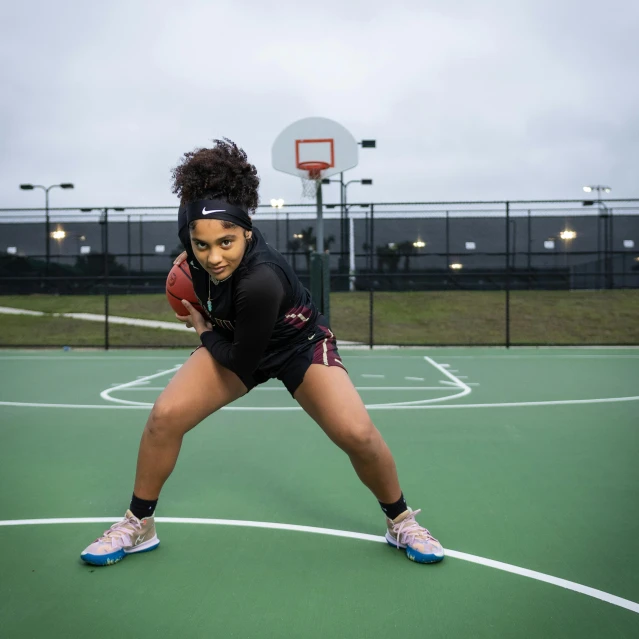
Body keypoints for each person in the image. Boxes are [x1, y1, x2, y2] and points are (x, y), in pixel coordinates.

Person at [80, 139, 444, 566]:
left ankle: (400, 519)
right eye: (202, 245)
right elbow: (201, 251)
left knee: (357, 435)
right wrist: (197, 284)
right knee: (164, 418)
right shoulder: (193, 245)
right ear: (189, 237)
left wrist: (201, 328)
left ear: (246, 230)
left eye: (227, 242)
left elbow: (240, 362)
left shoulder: (261, 280)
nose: (214, 257)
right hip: (236, 336)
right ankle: (138, 524)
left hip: (295, 344)